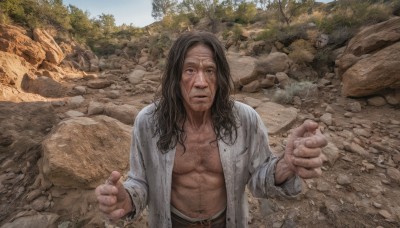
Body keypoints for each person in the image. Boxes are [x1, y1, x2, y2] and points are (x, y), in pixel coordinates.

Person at [95, 31, 327, 228]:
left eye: (210, 70)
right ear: (175, 78)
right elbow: (141, 182)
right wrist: (127, 197)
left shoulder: (245, 119)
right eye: (190, 70)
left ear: (221, 77)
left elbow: (259, 180)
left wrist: (286, 165)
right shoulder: (149, 122)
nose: (201, 82)